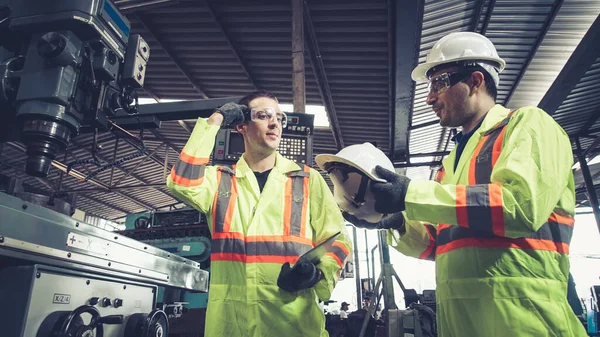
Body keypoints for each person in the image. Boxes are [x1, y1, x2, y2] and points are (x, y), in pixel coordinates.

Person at [341, 32, 587, 336]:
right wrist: (397, 223)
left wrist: (409, 193)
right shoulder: (452, 163)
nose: (430, 97)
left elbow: (520, 207)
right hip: (461, 322)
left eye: (438, 83)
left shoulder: (529, 125)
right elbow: (438, 245)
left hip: (524, 321)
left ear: (475, 80)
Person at [167, 90, 352, 337]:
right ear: (241, 126)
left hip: (293, 324)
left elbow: (338, 240)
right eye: (263, 115)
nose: (274, 122)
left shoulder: (307, 179)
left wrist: (318, 274)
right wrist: (215, 121)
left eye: (279, 117)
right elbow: (180, 182)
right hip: (231, 325)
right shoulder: (219, 180)